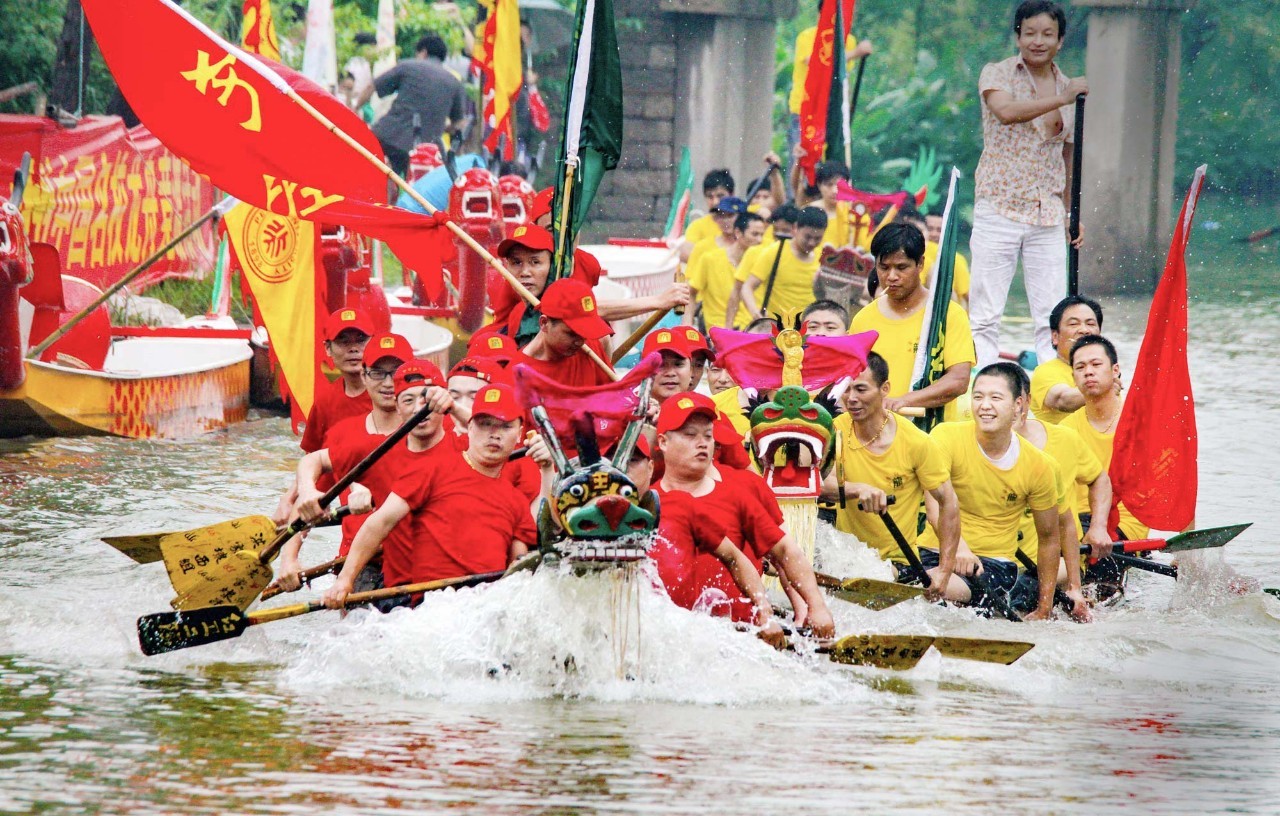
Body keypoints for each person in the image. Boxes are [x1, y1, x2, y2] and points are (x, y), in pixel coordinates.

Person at [321, 382, 536, 610]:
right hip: (430, 608)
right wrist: (345, 581)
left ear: (520, 434)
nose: (494, 434)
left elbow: (517, 575)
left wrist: (547, 470)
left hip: (485, 610)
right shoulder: (430, 470)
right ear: (469, 427)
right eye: (485, 424)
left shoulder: (517, 502)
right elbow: (379, 522)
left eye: (505, 426)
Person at [652, 393, 836, 638]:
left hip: (743, 637)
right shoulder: (646, 505)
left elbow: (785, 552)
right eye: (690, 435)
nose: (702, 443)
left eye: (708, 435)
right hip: (675, 636)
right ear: (663, 442)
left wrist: (815, 607)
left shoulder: (738, 493)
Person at [969, 0, 1088, 367]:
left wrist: (1071, 213)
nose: (1038, 41)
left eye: (1048, 34)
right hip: (999, 206)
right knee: (986, 314)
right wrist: (1062, 98)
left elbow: (1067, 156)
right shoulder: (998, 74)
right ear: (1018, 36)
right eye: (1030, 33)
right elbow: (1006, 112)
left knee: (1052, 314)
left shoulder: (1069, 87)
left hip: (1047, 213)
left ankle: (1050, 385)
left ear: (1061, 40)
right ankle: (986, 385)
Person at [282, 358, 454, 595]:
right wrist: (288, 560)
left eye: (427, 400)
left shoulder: (467, 445)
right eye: (409, 400)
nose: (419, 410)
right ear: (398, 405)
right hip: (374, 567)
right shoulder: (374, 448)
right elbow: (311, 461)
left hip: (441, 570)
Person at [917, 364, 1061, 618]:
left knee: (921, 589)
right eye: (978, 397)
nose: (984, 405)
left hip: (991, 566)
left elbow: (1049, 539)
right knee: (901, 578)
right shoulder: (945, 436)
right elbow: (935, 507)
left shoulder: (1040, 466)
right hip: (932, 553)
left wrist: (1044, 608)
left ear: (1018, 405)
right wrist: (959, 550)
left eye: (995, 398)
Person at [823, 352, 960, 600]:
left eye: (861, 390)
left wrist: (945, 570)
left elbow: (948, 502)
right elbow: (820, 485)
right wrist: (858, 489)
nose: (851, 399)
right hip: (844, 555)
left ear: (884, 389)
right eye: (846, 390)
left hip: (899, 563)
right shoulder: (834, 430)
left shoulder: (916, 442)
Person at [1008, 364, 1112, 620]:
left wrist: (1098, 526)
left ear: (1025, 402)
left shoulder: (1064, 440)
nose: (992, 408)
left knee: (1018, 596)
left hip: (1057, 561)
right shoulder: (965, 443)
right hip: (996, 558)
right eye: (982, 398)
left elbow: (1099, 479)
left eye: (1003, 399)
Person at [848, 223, 975, 418]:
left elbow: (958, 380)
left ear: (921, 264)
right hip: (876, 433)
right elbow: (849, 378)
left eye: (901, 267)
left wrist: (905, 400)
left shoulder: (948, 315)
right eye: (884, 267)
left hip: (928, 433)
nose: (891, 276)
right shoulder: (863, 319)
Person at [1059, 335, 1148, 543]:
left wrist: (1186, 550)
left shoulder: (1141, 423)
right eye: (1080, 367)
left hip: (1125, 525)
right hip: (1077, 524)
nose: (1088, 371)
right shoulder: (1066, 430)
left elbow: (1178, 480)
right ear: (1073, 377)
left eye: (1096, 364)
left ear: (1115, 370)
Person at [359, 35, 468, 181]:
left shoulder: (408, 66)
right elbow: (459, 125)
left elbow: (371, 86)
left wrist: (355, 108)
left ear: (423, 52)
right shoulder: (454, 83)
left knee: (369, 177)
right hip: (424, 153)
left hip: (386, 137)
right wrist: (442, 127)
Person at [787, 8, 872, 164]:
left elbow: (843, 77)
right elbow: (816, 63)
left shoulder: (848, 40)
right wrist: (856, 53)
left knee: (831, 166)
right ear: (820, 14)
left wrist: (846, 106)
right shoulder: (807, 37)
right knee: (804, 162)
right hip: (805, 110)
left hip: (832, 112)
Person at [299, 308, 376, 454]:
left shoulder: (392, 395)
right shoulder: (324, 402)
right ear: (328, 348)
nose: (353, 349)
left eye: (361, 340)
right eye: (343, 341)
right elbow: (310, 458)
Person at [516, 278, 615, 388]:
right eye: (572, 334)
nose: (580, 342)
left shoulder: (592, 347)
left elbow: (613, 397)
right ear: (544, 323)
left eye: (585, 333)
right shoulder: (519, 374)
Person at [741, 206, 827, 320]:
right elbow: (747, 287)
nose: (811, 243)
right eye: (807, 237)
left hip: (809, 328)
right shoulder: (776, 252)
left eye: (817, 238)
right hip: (778, 328)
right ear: (795, 228)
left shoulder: (822, 257)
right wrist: (755, 313)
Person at [685, 210, 765, 330]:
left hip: (753, 328)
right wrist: (687, 324)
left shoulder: (763, 260)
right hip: (718, 329)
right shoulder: (710, 259)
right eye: (754, 234)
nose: (759, 240)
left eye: (762, 235)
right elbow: (691, 293)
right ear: (738, 232)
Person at [1029, 294, 1102, 424]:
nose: (1084, 330)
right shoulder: (1046, 372)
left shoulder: (1106, 371)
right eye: (1074, 324)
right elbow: (1062, 400)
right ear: (1055, 337)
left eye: (1090, 323)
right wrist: (1104, 389)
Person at [898, 208, 970, 309]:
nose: (934, 234)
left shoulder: (955, 258)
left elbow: (967, 296)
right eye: (930, 229)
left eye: (939, 230)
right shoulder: (905, 255)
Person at [679, 169, 735, 260]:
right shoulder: (697, 226)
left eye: (720, 196)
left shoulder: (743, 221)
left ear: (732, 195)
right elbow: (687, 254)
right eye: (710, 197)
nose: (715, 202)